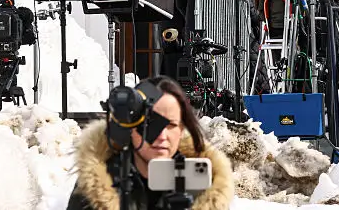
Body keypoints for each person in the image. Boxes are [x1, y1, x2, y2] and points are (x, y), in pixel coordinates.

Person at [66, 77, 233, 210]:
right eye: (152, 124)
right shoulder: (99, 182)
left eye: (171, 125)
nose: (161, 136)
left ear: (182, 130)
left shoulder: (205, 186)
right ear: (129, 126)